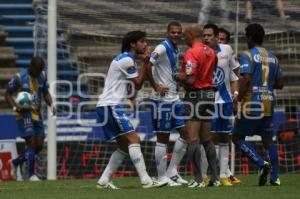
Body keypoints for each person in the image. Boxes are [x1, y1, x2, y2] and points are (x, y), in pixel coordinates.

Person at [95, 30, 167, 189]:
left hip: (106, 106)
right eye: (142, 41)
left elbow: (139, 80)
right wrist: (146, 62)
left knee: (123, 146)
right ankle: (146, 181)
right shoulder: (127, 60)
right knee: (134, 139)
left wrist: (147, 65)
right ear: (133, 44)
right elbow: (139, 83)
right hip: (110, 106)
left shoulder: (126, 59)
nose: (145, 44)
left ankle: (104, 181)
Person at [232, 23, 284, 186]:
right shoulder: (273, 57)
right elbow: (280, 84)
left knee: (236, 137)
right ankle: (275, 178)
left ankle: (262, 164)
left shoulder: (247, 55)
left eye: (246, 36)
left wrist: (238, 98)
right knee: (268, 140)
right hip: (268, 103)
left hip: (252, 104)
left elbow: (246, 79)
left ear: (250, 38)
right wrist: (265, 84)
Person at [174, 25, 220, 188]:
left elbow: (191, 80)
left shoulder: (191, 53)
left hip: (195, 96)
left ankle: (198, 179)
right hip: (209, 95)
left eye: (185, 35)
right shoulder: (211, 52)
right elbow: (210, 72)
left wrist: (179, 77)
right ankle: (215, 178)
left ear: (192, 35)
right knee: (207, 139)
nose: (184, 39)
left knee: (192, 139)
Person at [146, 21, 188, 186]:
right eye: (173, 32)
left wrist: (176, 79)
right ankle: (161, 177)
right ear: (167, 33)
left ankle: (172, 172)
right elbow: (149, 64)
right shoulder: (162, 47)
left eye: (179, 32)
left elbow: (167, 70)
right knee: (162, 137)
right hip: (162, 100)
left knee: (185, 134)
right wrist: (155, 86)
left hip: (174, 98)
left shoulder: (176, 48)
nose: (176, 34)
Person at [5, 56, 56, 181]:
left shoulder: (42, 76)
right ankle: (31, 174)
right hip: (24, 114)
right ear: (31, 67)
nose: (38, 73)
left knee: (39, 145)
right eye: (37, 70)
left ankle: (16, 162)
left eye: (40, 71)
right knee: (31, 143)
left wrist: (51, 104)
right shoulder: (19, 77)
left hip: (37, 114)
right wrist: (16, 107)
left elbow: (45, 92)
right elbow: (7, 94)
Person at [200, 24, 239, 186]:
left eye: (209, 35)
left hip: (226, 101)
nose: (206, 38)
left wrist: (236, 95)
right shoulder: (199, 52)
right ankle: (204, 175)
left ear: (216, 36)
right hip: (208, 101)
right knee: (208, 139)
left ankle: (223, 175)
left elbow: (233, 74)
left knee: (224, 137)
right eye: (205, 35)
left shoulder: (227, 50)